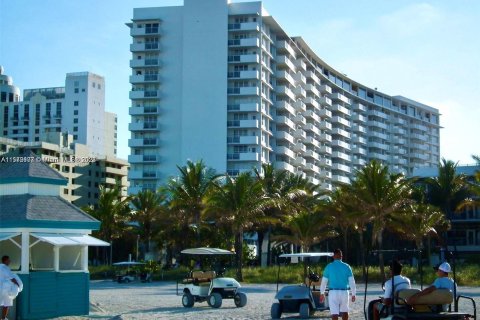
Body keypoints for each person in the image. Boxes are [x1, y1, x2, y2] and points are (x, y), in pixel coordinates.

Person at [319, 249, 356, 320]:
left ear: (333, 256)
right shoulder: (347, 266)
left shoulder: (329, 267)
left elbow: (324, 282)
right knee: (345, 312)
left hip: (333, 292)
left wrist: (322, 293)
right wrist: (353, 294)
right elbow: (352, 281)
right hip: (344, 292)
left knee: (334, 314)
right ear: (341, 256)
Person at [0, 256, 20, 320]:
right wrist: (18, 284)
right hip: (5, 289)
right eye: (8, 260)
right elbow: (11, 278)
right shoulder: (5, 268)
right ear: (5, 261)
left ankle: (3, 318)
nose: (10, 261)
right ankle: (3, 318)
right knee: (6, 304)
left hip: (1, 287)